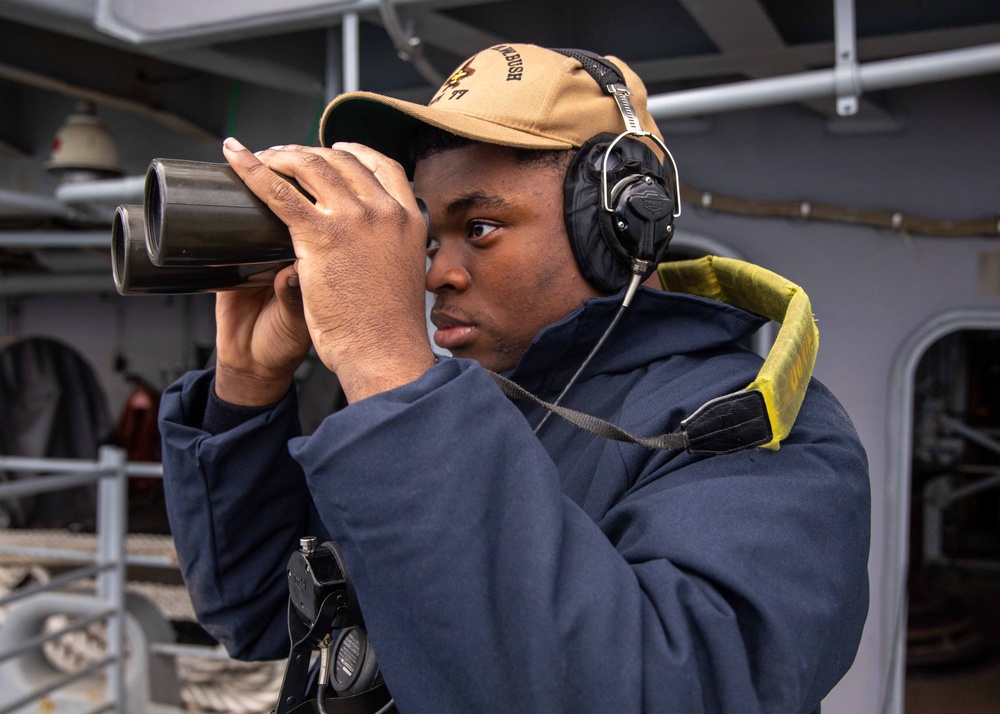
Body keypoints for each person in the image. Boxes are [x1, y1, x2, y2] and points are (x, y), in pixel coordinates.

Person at [159, 44, 870, 713]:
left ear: (621, 221)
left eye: (483, 228)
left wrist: (383, 363)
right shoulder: (468, 410)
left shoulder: (758, 432)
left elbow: (653, 690)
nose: (435, 272)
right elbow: (257, 613)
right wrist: (246, 387)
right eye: (428, 237)